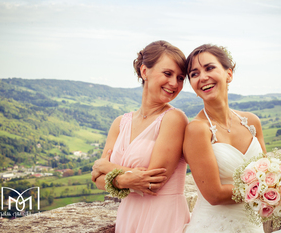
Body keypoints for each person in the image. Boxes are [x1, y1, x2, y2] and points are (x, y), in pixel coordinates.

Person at [91, 40, 190, 233]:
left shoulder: (174, 118)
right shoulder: (120, 123)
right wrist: (124, 180)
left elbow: (152, 183)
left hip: (163, 218)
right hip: (128, 216)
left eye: (180, 78)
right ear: (144, 71)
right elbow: (97, 179)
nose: (174, 84)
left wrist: (108, 168)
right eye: (168, 74)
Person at [182, 44, 267, 232]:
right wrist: (267, 188)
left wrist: (276, 183)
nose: (202, 77)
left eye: (209, 68)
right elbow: (214, 194)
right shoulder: (197, 129)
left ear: (229, 74)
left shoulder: (252, 122)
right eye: (194, 74)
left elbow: (268, 171)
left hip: (252, 225)